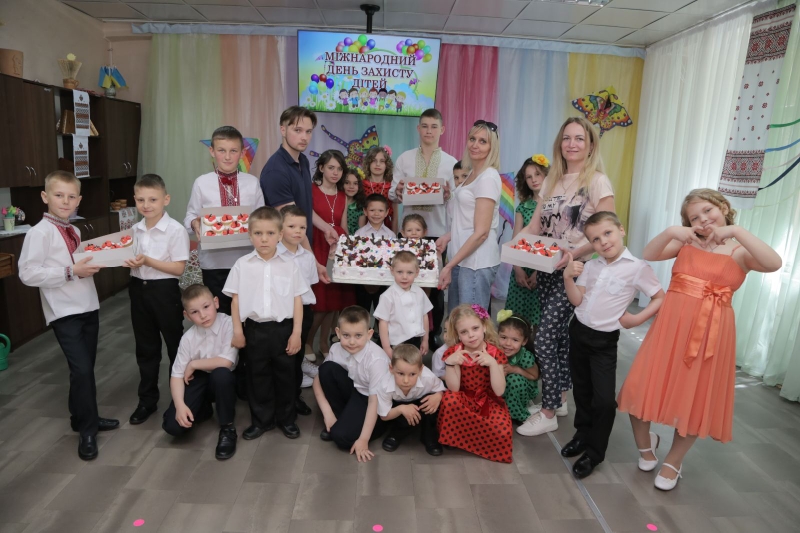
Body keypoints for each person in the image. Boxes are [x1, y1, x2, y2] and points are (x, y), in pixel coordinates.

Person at [618, 189, 781, 490]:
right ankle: (646, 447)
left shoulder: (740, 250)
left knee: (694, 398)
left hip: (711, 333)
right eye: (694, 217)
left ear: (723, 208)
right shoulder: (687, 242)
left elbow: (774, 263)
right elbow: (649, 253)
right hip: (670, 327)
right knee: (639, 387)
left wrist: (736, 231)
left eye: (708, 211)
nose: (703, 219)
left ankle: (674, 461)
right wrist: (672, 231)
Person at [544, 212, 664, 479]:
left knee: (604, 401)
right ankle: (582, 435)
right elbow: (577, 300)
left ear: (621, 230)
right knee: (582, 391)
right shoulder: (592, 266)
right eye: (595, 239)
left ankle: (595, 452)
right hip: (578, 332)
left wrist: (636, 320)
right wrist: (567, 278)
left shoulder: (637, 267)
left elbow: (659, 297)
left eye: (607, 233)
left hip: (603, 343)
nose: (603, 242)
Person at [517, 116, 616, 436]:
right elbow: (536, 225)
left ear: (590, 145)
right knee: (558, 337)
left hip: (575, 271)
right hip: (547, 268)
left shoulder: (598, 181)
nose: (572, 144)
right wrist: (516, 246)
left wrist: (573, 255)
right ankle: (559, 398)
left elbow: (606, 230)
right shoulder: (552, 181)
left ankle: (547, 411)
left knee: (544, 337)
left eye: (579, 138)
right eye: (566, 138)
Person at [18, 171, 119, 460]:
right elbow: (28, 273)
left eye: (71, 196)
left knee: (84, 369)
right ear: (45, 196)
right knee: (82, 370)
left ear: (79, 200)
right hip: (63, 311)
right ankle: (88, 430)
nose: (65, 201)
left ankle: (82, 417)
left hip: (87, 305)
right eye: (59, 195)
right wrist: (71, 271)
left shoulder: (74, 230)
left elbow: (77, 265)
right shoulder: (38, 233)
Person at [223, 206, 310, 441]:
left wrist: (297, 333)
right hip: (255, 330)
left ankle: (287, 419)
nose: (264, 239)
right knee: (257, 376)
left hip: (283, 330)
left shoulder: (290, 265)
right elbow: (235, 301)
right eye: (258, 233)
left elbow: (297, 300)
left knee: (286, 376)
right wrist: (238, 331)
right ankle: (261, 420)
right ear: (250, 235)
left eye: (270, 233)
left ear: (280, 235)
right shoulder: (242, 265)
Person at [124, 174, 190, 426]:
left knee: (175, 345)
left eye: (153, 199)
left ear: (166, 199)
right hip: (138, 291)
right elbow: (132, 261)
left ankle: (180, 399)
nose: (146, 205)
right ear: (135, 200)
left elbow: (178, 268)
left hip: (165, 292)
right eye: (141, 200)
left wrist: (148, 261)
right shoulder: (134, 230)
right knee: (146, 348)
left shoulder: (175, 230)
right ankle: (147, 400)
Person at [391, 109, 458, 345]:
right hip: (409, 234)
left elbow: (457, 198)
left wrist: (449, 195)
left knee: (434, 286)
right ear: (418, 129)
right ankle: (403, 333)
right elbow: (392, 193)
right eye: (425, 126)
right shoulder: (404, 158)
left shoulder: (451, 163)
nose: (429, 131)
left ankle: (435, 332)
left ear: (442, 130)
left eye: (434, 126)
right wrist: (398, 191)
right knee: (404, 282)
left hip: (437, 234)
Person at [184, 126, 265, 315]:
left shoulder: (252, 182)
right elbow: (189, 217)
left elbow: (262, 217)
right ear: (212, 151)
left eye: (233, 151)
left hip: (247, 260)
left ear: (242, 153)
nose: (227, 157)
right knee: (219, 315)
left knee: (247, 312)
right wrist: (195, 223)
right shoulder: (202, 183)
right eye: (221, 150)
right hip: (213, 263)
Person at [162, 284, 239, 460]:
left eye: (206, 307)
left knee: (221, 374)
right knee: (173, 426)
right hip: (200, 378)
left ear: (216, 303)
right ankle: (203, 410)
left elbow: (226, 361)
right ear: (187, 315)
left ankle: (227, 428)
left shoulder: (228, 324)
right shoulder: (188, 338)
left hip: (225, 378)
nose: (203, 315)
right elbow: (177, 375)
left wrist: (194, 364)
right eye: (195, 312)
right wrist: (180, 405)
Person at [260, 106, 331, 285]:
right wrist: (312, 261)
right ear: (283, 130)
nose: (304, 137)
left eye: (308, 131)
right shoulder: (276, 171)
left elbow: (303, 207)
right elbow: (292, 223)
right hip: (284, 257)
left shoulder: (303, 160)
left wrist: (326, 228)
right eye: (297, 130)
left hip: (300, 249)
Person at [436, 121, 502, 312]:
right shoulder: (473, 173)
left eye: (483, 141)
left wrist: (449, 266)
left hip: (476, 264)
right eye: (472, 139)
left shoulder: (488, 178)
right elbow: (467, 220)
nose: (475, 145)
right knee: (458, 320)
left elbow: (481, 233)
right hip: (462, 259)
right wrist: (448, 237)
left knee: (471, 323)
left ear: (492, 147)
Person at [437, 304, 513, 463]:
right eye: (464, 332)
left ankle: (472, 440)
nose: (471, 335)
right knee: (449, 400)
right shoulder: (455, 352)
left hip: (487, 400)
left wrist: (492, 364)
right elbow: (454, 388)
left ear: (484, 327)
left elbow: (499, 391)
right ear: (458, 335)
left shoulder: (495, 353)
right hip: (464, 399)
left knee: (503, 429)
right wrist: (450, 364)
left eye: (475, 328)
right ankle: (456, 438)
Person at [312, 306, 390, 462]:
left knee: (342, 438)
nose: (352, 342)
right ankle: (341, 419)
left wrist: (363, 439)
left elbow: (374, 401)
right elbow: (317, 380)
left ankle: (379, 426)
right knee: (327, 369)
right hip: (354, 389)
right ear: (338, 332)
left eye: (358, 335)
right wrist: (328, 413)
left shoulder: (376, 360)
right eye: (346, 335)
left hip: (371, 400)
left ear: (369, 334)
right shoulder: (336, 348)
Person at [307, 150, 355, 362]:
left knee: (334, 304)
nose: (335, 173)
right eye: (331, 168)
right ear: (321, 168)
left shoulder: (343, 195)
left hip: (337, 249)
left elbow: (343, 226)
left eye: (339, 169)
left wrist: (347, 250)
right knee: (320, 303)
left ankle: (325, 342)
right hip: (317, 246)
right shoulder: (310, 190)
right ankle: (309, 342)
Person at [278, 205, 320, 414]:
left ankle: (295, 397)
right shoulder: (273, 255)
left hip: (303, 312)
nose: (298, 231)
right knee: (281, 359)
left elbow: (309, 284)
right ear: (280, 228)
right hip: (281, 313)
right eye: (292, 226)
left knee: (297, 357)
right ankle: (280, 401)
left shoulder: (307, 257)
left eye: (302, 227)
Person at [377, 344, 445, 456]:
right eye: (400, 374)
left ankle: (428, 435)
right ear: (391, 369)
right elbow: (384, 415)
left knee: (432, 401)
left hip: (419, 402)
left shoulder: (428, 377)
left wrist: (438, 396)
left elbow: (441, 389)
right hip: (397, 406)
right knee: (397, 418)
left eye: (412, 374)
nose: (406, 380)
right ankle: (396, 433)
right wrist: (401, 409)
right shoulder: (384, 385)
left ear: (421, 370)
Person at [505, 155, 548, 330]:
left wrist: (539, 272)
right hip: (522, 267)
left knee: (540, 321)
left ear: (547, 175)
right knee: (517, 321)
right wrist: (517, 269)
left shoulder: (553, 205)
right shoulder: (523, 207)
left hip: (545, 268)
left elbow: (554, 241)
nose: (534, 180)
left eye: (537, 174)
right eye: (529, 177)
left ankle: (537, 348)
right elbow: (516, 239)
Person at [374, 251, 433, 356]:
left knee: (413, 365)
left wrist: (425, 340)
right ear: (392, 271)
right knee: (398, 366)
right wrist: (387, 348)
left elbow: (424, 316)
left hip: (415, 340)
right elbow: (383, 323)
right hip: (396, 344)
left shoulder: (419, 292)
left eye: (409, 272)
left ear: (417, 272)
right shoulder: (387, 296)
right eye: (400, 272)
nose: (404, 277)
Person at [495, 311, 539, 424]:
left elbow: (534, 376)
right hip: (501, 387)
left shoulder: (524, 356)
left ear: (524, 341)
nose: (508, 343)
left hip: (521, 388)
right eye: (503, 337)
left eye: (515, 340)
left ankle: (517, 414)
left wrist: (515, 369)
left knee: (513, 379)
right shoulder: (494, 350)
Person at [354, 194, 394, 314]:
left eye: (380, 210)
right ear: (365, 211)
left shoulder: (391, 235)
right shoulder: (359, 233)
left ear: (387, 212)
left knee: (382, 314)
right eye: (372, 210)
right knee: (361, 312)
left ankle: (379, 327)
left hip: (383, 281)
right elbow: (356, 257)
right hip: (362, 281)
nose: (376, 214)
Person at [361, 146, 396, 231]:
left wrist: (394, 235)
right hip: (364, 228)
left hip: (386, 229)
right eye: (374, 161)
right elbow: (360, 213)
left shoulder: (392, 186)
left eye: (382, 161)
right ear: (368, 163)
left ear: (387, 164)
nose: (378, 164)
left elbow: (395, 216)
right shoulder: (361, 185)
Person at [341, 167, 366, 235]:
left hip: (353, 239)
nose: (351, 186)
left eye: (355, 183)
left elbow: (361, 230)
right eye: (347, 183)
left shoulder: (360, 205)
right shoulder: (336, 203)